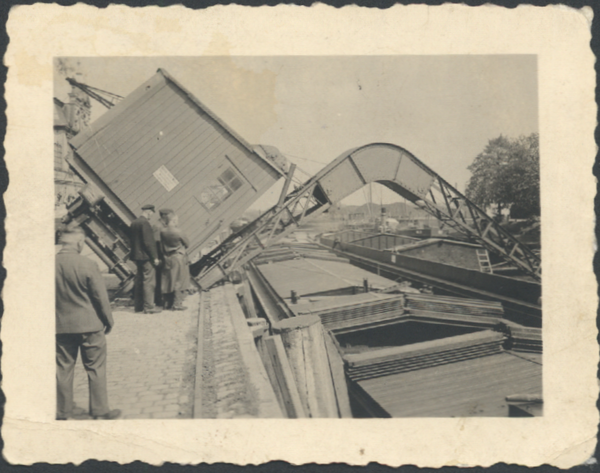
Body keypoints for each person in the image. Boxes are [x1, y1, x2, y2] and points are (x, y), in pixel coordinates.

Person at [55, 227, 121, 420]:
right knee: (96, 368)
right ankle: (100, 410)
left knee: (63, 369)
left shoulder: (47, 265)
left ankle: (62, 411)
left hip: (60, 327)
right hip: (90, 326)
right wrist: (108, 321)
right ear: (79, 243)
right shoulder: (88, 264)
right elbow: (100, 297)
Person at [130, 204, 161, 314]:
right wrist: (155, 257)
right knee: (149, 281)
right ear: (148, 212)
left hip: (137, 257)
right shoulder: (145, 223)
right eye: (151, 214)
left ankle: (138, 307)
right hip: (146, 257)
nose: (151, 217)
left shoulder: (134, 222)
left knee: (139, 281)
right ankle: (149, 307)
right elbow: (149, 243)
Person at [160, 212, 190, 310]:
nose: (178, 222)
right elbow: (187, 243)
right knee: (178, 280)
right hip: (178, 258)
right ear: (173, 221)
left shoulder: (162, 231)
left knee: (168, 280)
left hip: (167, 257)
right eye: (176, 220)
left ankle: (167, 304)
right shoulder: (178, 232)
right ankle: (177, 304)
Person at [152, 209, 172, 307]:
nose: (171, 218)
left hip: (163, 255)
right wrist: (158, 258)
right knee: (159, 278)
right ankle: (158, 300)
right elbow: (156, 243)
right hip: (160, 256)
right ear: (165, 216)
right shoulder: (157, 226)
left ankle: (162, 300)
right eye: (170, 215)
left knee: (163, 278)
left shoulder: (163, 226)